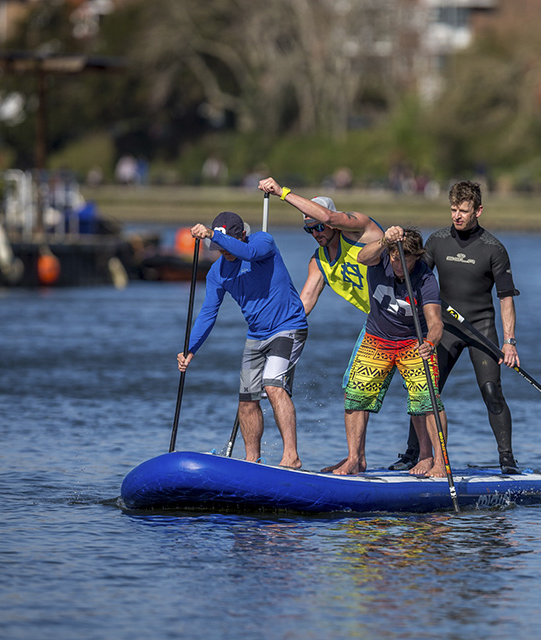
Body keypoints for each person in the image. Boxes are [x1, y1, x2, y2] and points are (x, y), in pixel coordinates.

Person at [256, 177, 395, 472]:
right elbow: (304, 304)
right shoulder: (319, 261)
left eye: (319, 226)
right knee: (353, 388)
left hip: (407, 315)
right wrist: (273, 329)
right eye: (310, 229)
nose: (317, 232)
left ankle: (426, 457)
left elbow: (329, 216)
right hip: (378, 324)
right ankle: (356, 459)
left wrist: (282, 192)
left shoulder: (360, 230)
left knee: (420, 392)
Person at [391, 180, 522, 474]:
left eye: (463, 210)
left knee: (491, 390)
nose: (457, 216)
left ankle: (507, 460)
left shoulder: (494, 249)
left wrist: (509, 342)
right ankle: (414, 454)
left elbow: (505, 300)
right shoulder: (437, 242)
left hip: (480, 328)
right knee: (425, 390)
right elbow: (414, 276)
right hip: (445, 329)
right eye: (453, 209)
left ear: (478, 210)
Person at [177, 211, 308, 468]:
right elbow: (207, 313)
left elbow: (248, 254)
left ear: (242, 236)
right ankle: (252, 461)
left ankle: (291, 456)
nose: (223, 252)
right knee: (247, 401)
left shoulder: (262, 242)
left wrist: (213, 234)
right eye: (217, 248)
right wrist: (190, 349)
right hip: (256, 336)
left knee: (273, 386)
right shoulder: (217, 273)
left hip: (287, 327)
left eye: (225, 245)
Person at [332, 226, 448, 477]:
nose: (398, 264)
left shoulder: (426, 279)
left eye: (405, 259)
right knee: (355, 396)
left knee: (426, 401)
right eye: (395, 258)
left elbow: (436, 322)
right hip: (377, 339)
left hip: (413, 343)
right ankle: (355, 459)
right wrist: (386, 240)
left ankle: (436, 461)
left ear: (416, 257)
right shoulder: (380, 257)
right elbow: (361, 257)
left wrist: (430, 342)